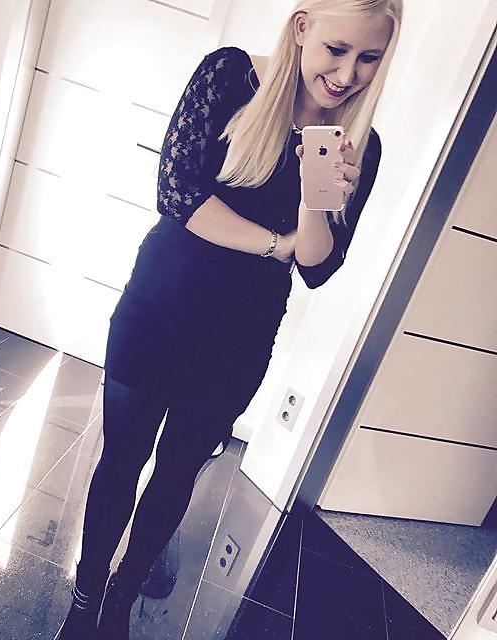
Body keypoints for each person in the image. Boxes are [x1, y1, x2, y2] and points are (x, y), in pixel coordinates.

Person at [58, 0, 401, 638]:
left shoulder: (358, 145)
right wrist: (274, 244)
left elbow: (319, 267)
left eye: (369, 58)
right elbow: (177, 194)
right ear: (303, 27)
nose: (348, 73)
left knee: (178, 472)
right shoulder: (229, 76)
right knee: (122, 458)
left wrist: (316, 192)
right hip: (160, 305)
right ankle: (86, 594)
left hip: (241, 336)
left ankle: (122, 598)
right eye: (337, 49)